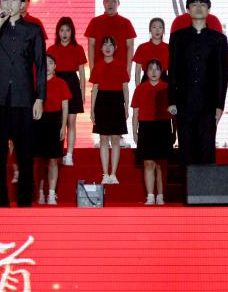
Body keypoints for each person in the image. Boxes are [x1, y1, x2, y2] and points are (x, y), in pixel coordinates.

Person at [0, 0, 47, 208]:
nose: (8, 3)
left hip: (23, 98)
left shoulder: (34, 30)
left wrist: (40, 98)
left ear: (23, 4)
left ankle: (25, 204)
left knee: (25, 154)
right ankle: (2, 204)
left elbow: (41, 66)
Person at [167, 0, 228, 167]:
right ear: (188, 10)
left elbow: (222, 74)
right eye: (194, 4)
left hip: (208, 104)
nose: (199, 7)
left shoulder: (218, 39)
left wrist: (219, 105)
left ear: (208, 10)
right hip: (184, 102)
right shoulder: (178, 37)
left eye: (203, 4)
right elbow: (173, 70)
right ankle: (188, 184)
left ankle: (206, 185)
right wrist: (171, 100)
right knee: (186, 148)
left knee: (206, 148)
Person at [132, 58, 173, 205]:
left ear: (161, 71)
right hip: (146, 127)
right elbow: (135, 112)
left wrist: (175, 132)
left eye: (157, 69)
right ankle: (150, 196)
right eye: (151, 69)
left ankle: (160, 196)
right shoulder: (140, 89)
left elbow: (174, 114)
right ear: (146, 71)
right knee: (148, 162)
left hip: (163, 126)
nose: (154, 72)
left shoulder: (168, 88)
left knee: (161, 163)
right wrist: (135, 132)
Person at [89, 36, 130, 184]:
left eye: (111, 45)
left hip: (117, 101)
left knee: (116, 139)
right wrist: (92, 110)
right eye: (105, 44)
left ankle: (114, 174)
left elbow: (125, 88)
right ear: (100, 49)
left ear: (115, 48)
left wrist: (126, 107)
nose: (107, 47)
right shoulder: (97, 66)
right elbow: (94, 89)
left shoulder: (121, 65)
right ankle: (105, 174)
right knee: (103, 139)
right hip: (102, 102)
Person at [49, 17, 87, 166]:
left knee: (71, 122)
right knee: (57, 122)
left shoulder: (78, 49)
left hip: (72, 84)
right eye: (62, 30)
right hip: (56, 85)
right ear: (57, 32)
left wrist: (82, 93)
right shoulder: (52, 49)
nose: (65, 34)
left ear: (72, 32)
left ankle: (69, 154)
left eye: (68, 30)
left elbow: (82, 74)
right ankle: (55, 153)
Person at [36, 53, 71, 205]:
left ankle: (51, 193)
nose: (48, 66)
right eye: (45, 63)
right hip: (38, 122)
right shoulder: (35, 82)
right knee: (39, 161)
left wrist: (63, 126)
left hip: (55, 122)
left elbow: (65, 107)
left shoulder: (61, 83)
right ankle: (40, 193)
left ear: (55, 66)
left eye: (50, 63)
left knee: (53, 160)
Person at [85, 0, 136, 68]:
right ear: (103, 3)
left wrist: (128, 70)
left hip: (120, 70)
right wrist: (92, 69)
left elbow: (130, 48)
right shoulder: (94, 22)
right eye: (107, 1)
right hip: (99, 69)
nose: (110, 4)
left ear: (118, 3)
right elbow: (91, 46)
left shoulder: (126, 23)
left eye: (114, 1)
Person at [133, 17, 170, 84]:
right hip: (146, 82)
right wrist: (138, 88)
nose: (157, 30)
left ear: (164, 30)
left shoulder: (169, 48)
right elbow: (137, 72)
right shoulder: (142, 47)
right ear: (150, 30)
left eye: (160, 27)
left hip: (164, 83)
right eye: (154, 27)